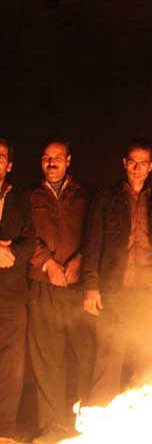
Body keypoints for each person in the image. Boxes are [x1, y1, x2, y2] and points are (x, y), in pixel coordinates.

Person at [81, 138, 152, 406]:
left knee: (149, 358)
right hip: (115, 292)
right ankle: (99, 425)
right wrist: (91, 286)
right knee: (108, 359)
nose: (137, 168)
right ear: (125, 164)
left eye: (143, 163)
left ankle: (141, 423)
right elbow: (92, 244)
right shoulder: (106, 199)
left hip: (149, 293)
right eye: (132, 162)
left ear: (151, 167)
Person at [27, 140, 94, 444]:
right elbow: (25, 236)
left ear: (69, 160)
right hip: (44, 285)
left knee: (83, 354)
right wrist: (47, 264)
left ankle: (83, 424)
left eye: (57, 158)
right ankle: (52, 428)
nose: (51, 163)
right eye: (46, 158)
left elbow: (96, 232)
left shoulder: (85, 195)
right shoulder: (30, 196)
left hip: (77, 285)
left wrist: (80, 260)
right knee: (47, 358)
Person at [0, 138, 36, 442]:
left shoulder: (19, 199)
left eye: (0, 157)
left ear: (8, 165)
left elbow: (30, 241)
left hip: (11, 296)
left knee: (11, 367)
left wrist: (10, 255)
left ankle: (5, 431)